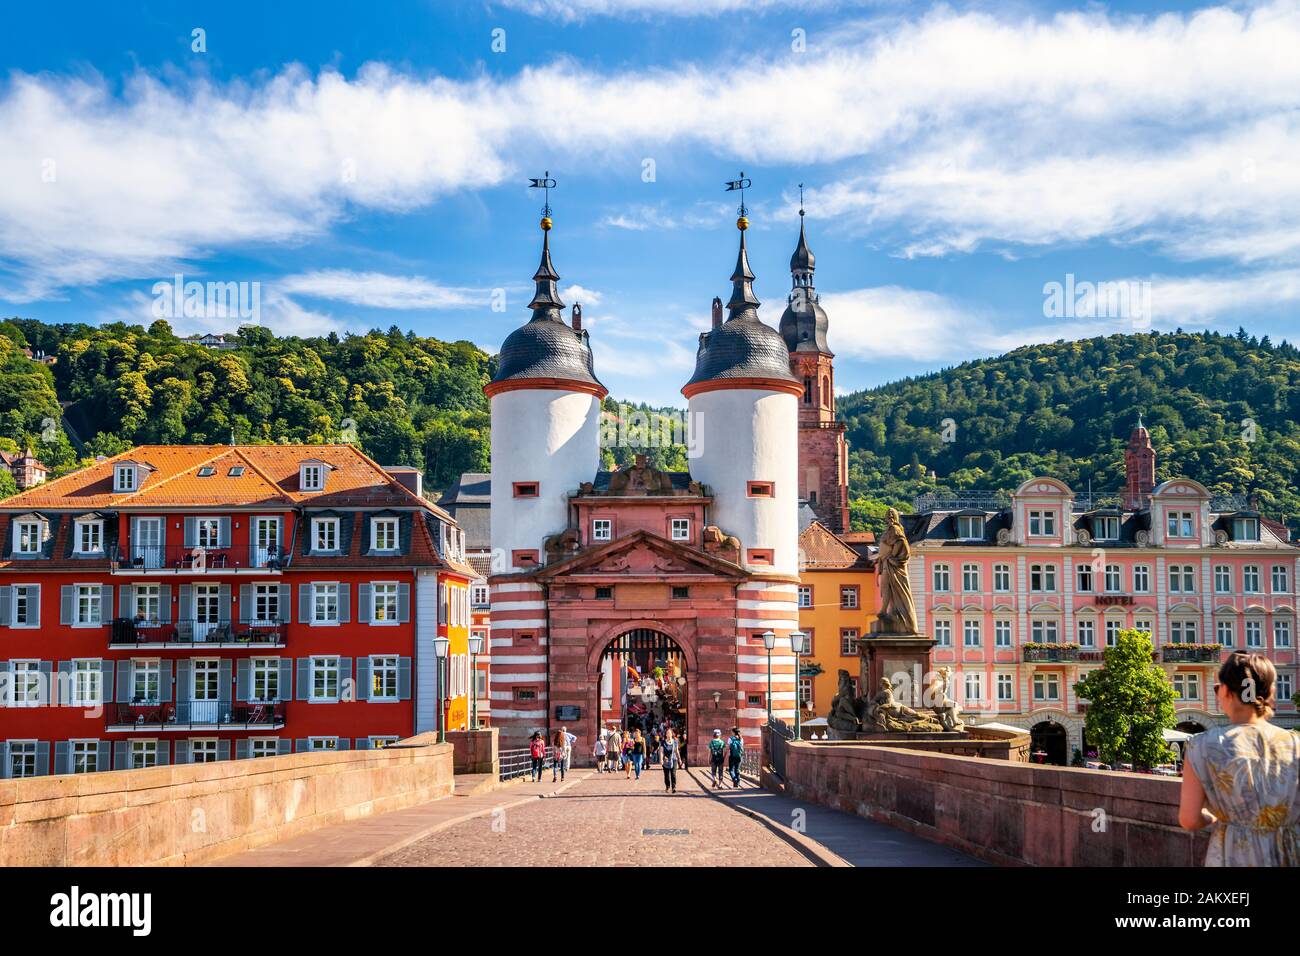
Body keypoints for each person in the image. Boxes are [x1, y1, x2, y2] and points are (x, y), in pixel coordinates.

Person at [1180, 653, 1300, 865]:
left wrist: (1216, 817)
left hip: (1232, 854)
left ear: (1226, 691)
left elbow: (1189, 819)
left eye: (1218, 688)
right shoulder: (1295, 743)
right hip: (1287, 854)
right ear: (1271, 692)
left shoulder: (1202, 745)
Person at [661, 726, 682, 793]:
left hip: (674, 759)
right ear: (666, 734)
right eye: (667, 733)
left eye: (670, 733)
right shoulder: (663, 742)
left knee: (673, 774)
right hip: (666, 760)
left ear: (672, 734)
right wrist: (661, 759)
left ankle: (674, 787)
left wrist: (679, 759)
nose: (669, 734)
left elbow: (676, 751)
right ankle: (667, 786)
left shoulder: (675, 742)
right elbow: (661, 751)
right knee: (666, 775)